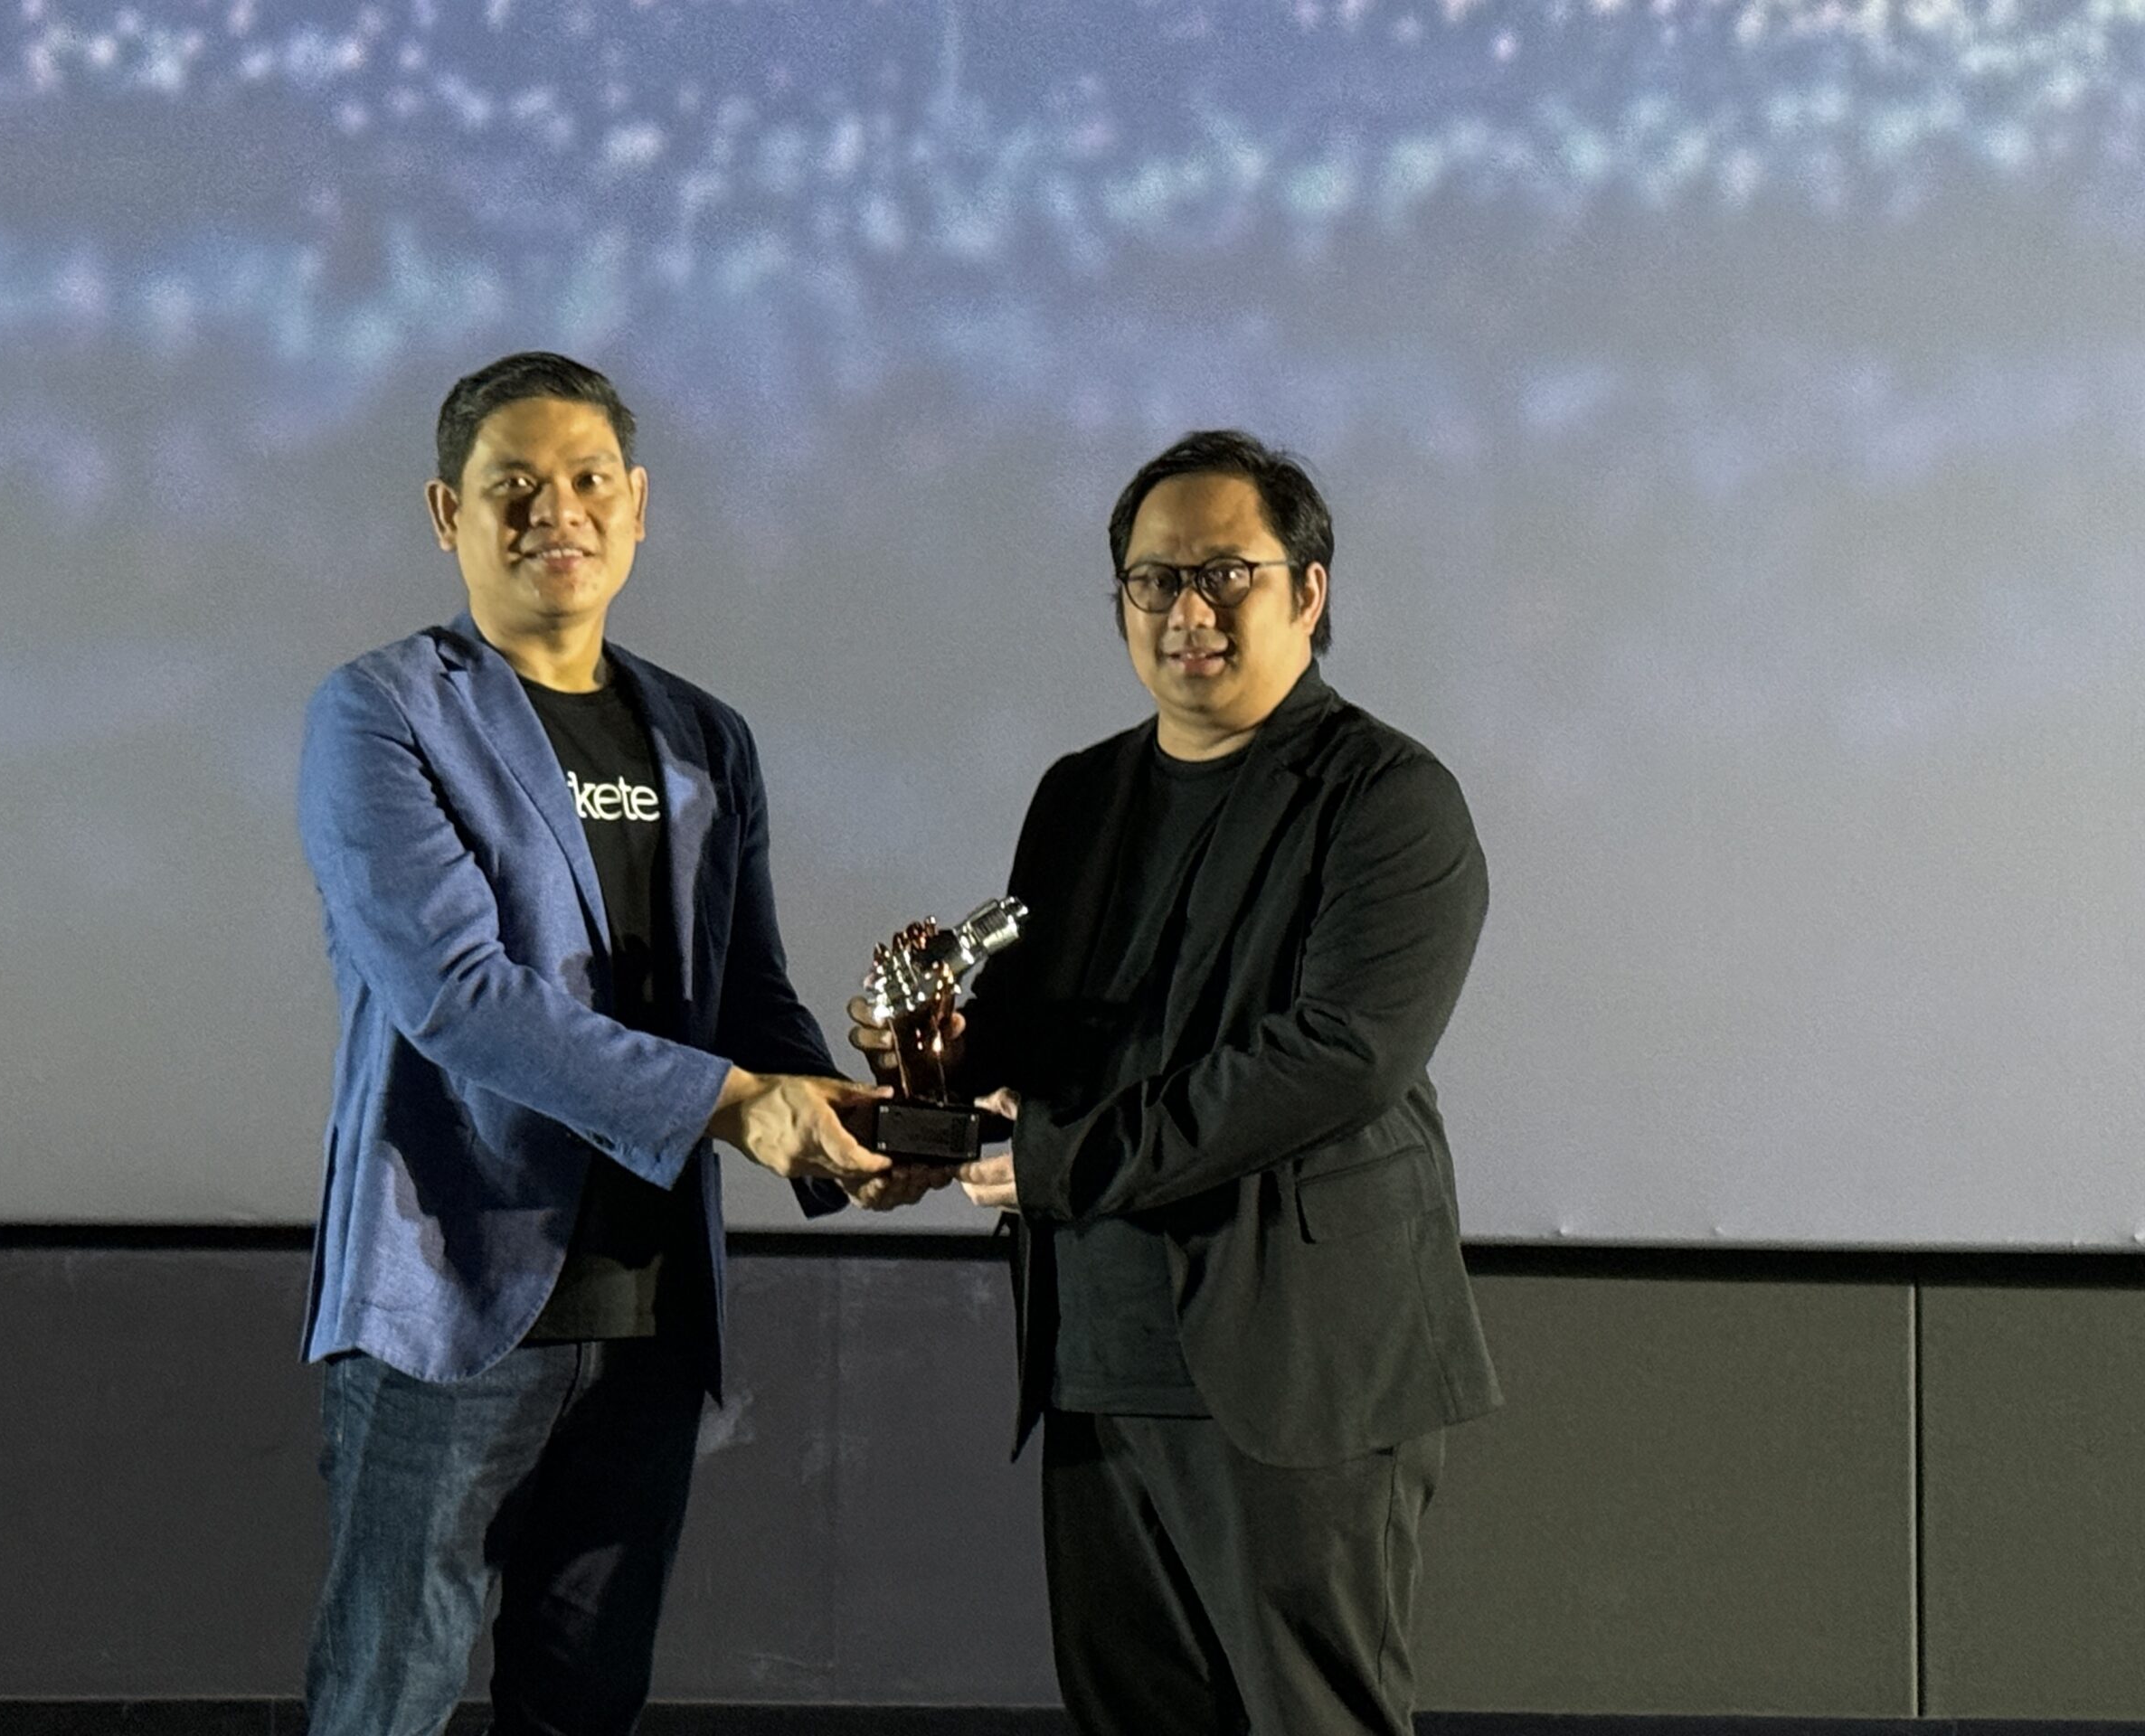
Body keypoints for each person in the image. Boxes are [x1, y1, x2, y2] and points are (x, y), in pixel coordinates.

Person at [296, 352, 921, 1735]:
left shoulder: (705, 735)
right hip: (449, 1310)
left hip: (649, 1317)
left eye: (587, 480)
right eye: (511, 485)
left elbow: (745, 998)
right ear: (446, 512)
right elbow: (457, 996)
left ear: (637, 504)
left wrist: (851, 1129)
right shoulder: (381, 713)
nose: (555, 512)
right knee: (385, 1706)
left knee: (584, 1708)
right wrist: (737, 1103)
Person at [856, 430, 1500, 1734]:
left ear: (1308, 591)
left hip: (1298, 1371)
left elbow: (1340, 1059)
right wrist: (928, 1066)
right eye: (1154, 580)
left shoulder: (1390, 800)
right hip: (1097, 1356)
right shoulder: (1079, 795)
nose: (1186, 612)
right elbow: (1044, 1042)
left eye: (1224, 575)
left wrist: (1057, 1156)